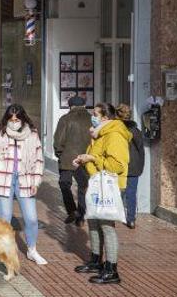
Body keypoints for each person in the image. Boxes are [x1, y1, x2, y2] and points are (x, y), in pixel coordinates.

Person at [0, 104, 48, 266]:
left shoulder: (32, 134)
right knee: (5, 218)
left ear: (23, 118)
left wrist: (36, 181)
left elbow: (39, 160)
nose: (14, 122)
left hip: (26, 179)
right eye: (11, 119)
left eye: (17, 119)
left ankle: (32, 250)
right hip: (3, 179)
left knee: (31, 218)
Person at [73, 103, 131, 285]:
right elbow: (97, 158)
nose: (93, 117)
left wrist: (91, 158)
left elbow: (117, 165)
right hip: (97, 183)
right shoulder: (98, 134)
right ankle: (96, 260)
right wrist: (84, 159)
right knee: (93, 222)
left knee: (106, 226)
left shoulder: (114, 135)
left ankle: (112, 269)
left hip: (111, 186)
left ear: (105, 117)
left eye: (95, 114)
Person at [53, 95, 92, 225]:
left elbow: (58, 141)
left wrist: (59, 154)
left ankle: (72, 210)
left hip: (67, 158)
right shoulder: (92, 119)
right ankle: (81, 215)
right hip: (86, 159)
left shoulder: (65, 119)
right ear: (84, 106)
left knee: (64, 184)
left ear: (70, 106)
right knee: (83, 186)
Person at [117, 103, 145, 229]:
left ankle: (114, 216)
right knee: (131, 193)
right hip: (134, 166)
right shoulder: (135, 130)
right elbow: (141, 150)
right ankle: (131, 219)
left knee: (117, 191)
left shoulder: (116, 129)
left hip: (119, 165)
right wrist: (140, 167)